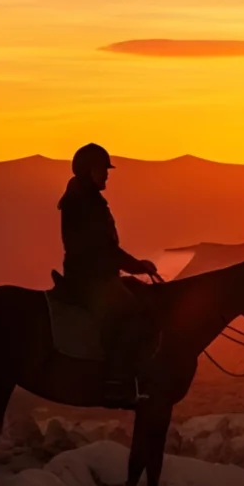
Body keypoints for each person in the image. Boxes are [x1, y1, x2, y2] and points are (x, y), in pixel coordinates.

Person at [55, 143, 158, 359]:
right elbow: (102, 248)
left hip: (93, 274)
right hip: (92, 278)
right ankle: (118, 376)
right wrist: (136, 266)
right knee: (130, 310)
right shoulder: (85, 202)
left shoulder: (85, 198)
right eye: (102, 170)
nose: (106, 176)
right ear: (89, 171)